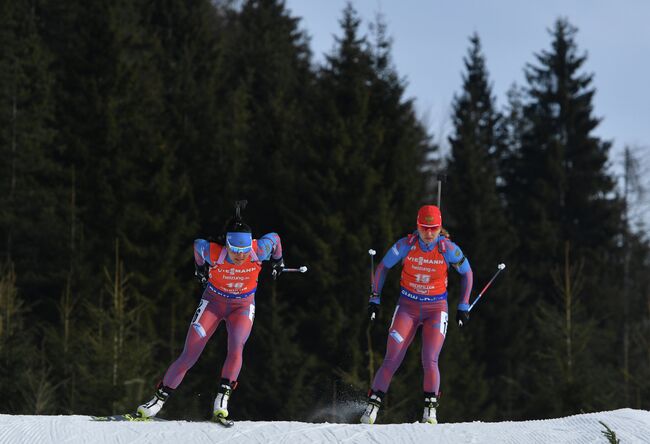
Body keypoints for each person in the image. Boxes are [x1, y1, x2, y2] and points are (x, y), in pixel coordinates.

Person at [136, 202, 284, 421]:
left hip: (242, 307)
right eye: (235, 251)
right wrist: (200, 268)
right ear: (227, 245)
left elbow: (276, 238)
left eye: (244, 252)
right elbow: (197, 245)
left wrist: (278, 261)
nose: (240, 256)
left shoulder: (259, 250)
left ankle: (222, 400)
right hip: (213, 304)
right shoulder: (214, 251)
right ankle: (157, 401)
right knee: (189, 354)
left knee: (236, 347)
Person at [360, 204, 473, 425]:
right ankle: (372, 406)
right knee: (392, 357)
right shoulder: (405, 245)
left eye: (433, 228)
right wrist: (375, 298)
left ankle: (430, 410)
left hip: (436, 309)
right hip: (407, 308)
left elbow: (467, 273)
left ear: (440, 227)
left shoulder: (448, 249)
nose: (429, 234)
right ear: (417, 226)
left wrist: (463, 305)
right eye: (424, 228)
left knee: (430, 358)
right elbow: (382, 267)